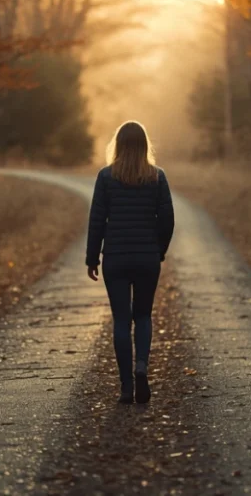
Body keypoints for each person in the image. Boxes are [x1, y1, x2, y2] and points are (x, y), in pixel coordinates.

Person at [86, 121, 174, 404]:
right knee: (144, 316)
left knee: (122, 320)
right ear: (145, 145)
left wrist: (92, 257)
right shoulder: (157, 177)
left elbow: (97, 220)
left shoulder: (105, 177)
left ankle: (126, 386)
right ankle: (141, 368)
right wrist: (159, 250)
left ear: (119, 145)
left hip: (115, 258)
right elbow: (168, 220)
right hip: (147, 258)